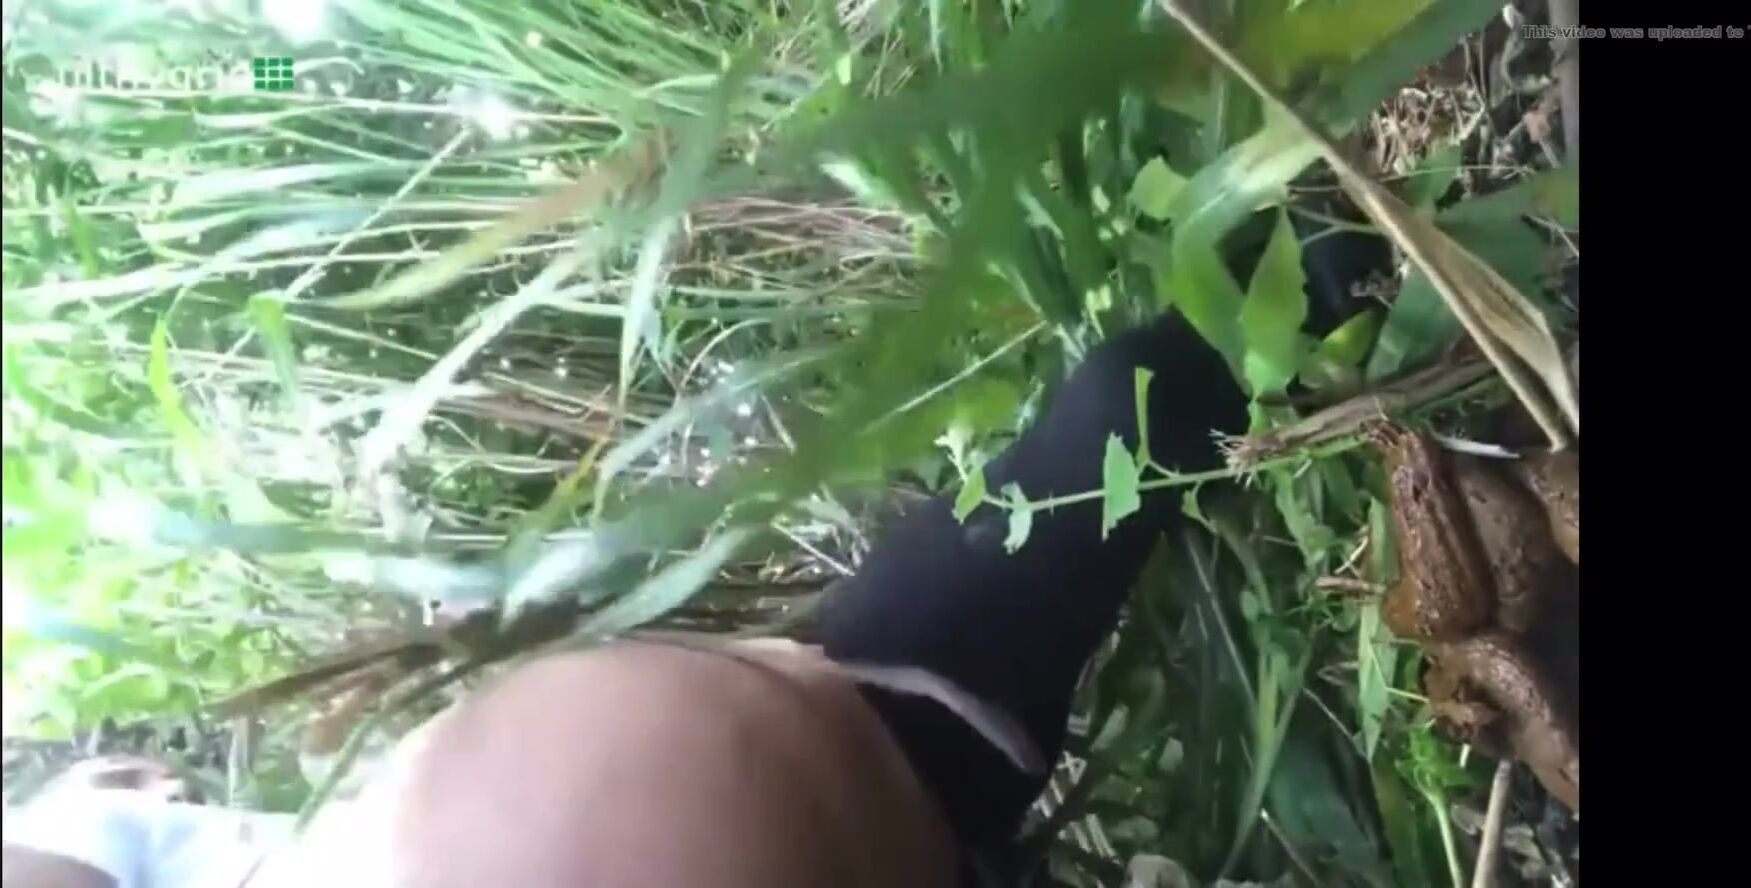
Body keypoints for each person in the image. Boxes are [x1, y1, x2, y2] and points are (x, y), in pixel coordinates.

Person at [3, 215, 1385, 888]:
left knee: (1118, 413)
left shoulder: (111, 841)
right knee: (1107, 424)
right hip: (867, 747)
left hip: (882, 713)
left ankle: (1343, 270)